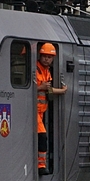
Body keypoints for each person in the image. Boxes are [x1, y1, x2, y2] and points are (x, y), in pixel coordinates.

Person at [36, 42, 67, 172]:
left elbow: (47, 90)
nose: (46, 59)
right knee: (42, 137)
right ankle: (41, 166)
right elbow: (31, 88)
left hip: (41, 112)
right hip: (34, 111)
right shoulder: (36, 70)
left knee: (42, 137)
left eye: (49, 57)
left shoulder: (47, 72)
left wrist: (61, 91)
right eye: (44, 56)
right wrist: (40, 87)